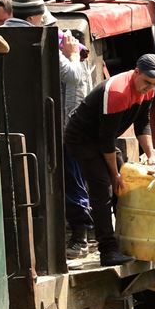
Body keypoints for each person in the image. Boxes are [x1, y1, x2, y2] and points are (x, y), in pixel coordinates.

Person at [62, 53, 155, 267]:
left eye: (154, 84)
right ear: (136, 72)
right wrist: (114, 174)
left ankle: (126, 239)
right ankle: (108, 251)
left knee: (126, 184)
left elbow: (142, 124)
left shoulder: (149, 89)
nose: (149, 87)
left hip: (102, 138)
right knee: (103, 188)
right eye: (147, 82)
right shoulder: (118, 91)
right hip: (82, 138)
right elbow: (106, 141)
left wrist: (151, 156)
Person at [58, 30, 96, 258]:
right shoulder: (76, 68)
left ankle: (81, 237)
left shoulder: (76, 69)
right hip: (73, 133)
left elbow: (75, 102)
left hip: (73, 134)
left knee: (75, 183)